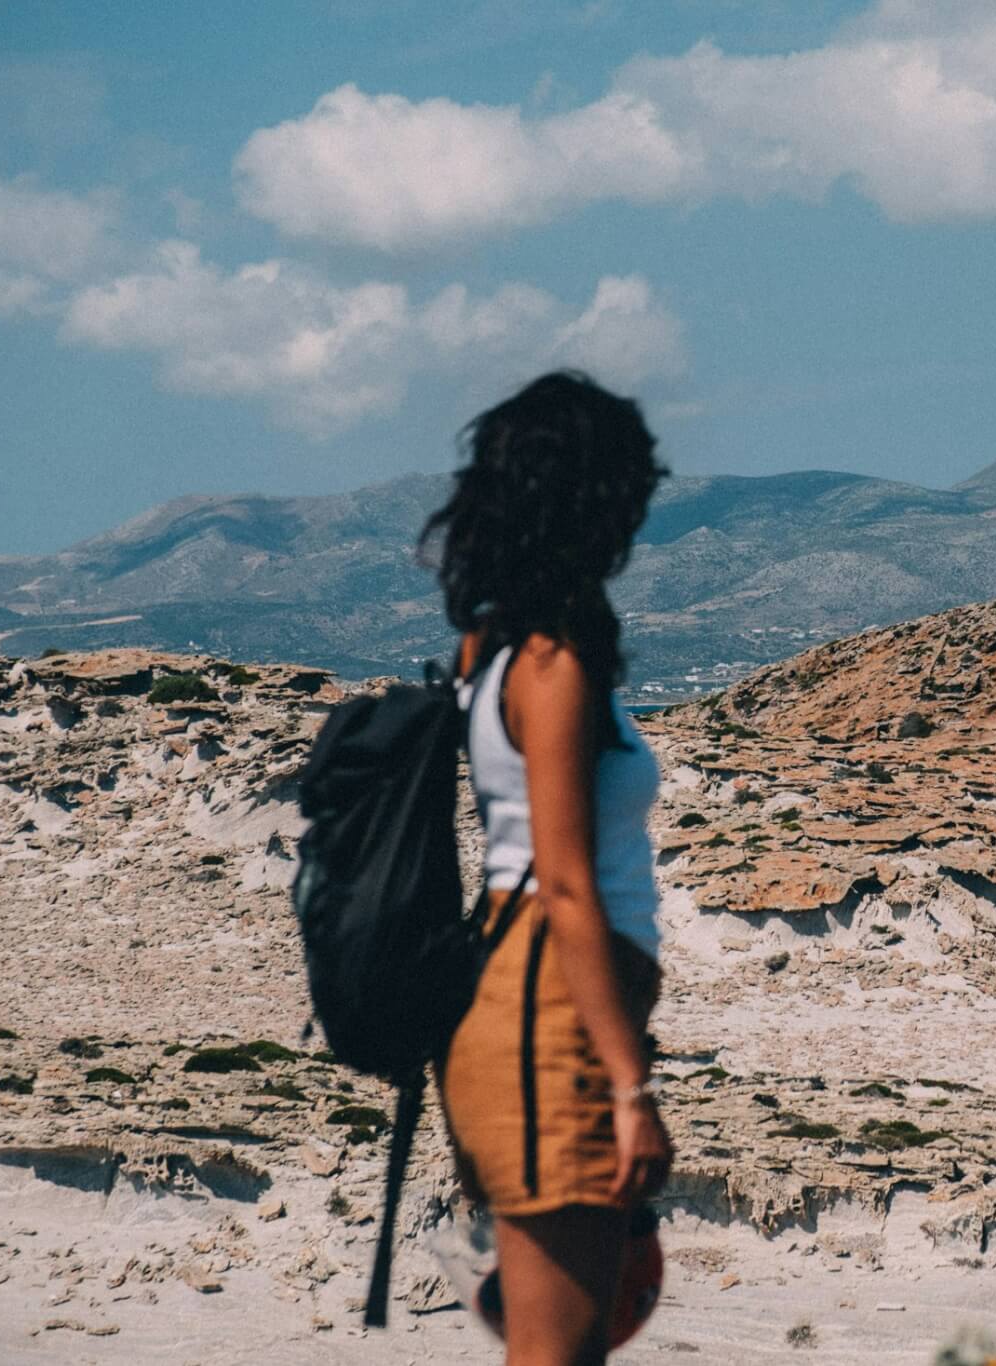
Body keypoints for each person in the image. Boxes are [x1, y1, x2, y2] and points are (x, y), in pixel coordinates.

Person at [420, 371, 672, 1365]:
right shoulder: (552, 662)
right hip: (547, 1021)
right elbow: (562, 883)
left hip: (529, 1009)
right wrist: (628, 1086)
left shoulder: (494, 646)